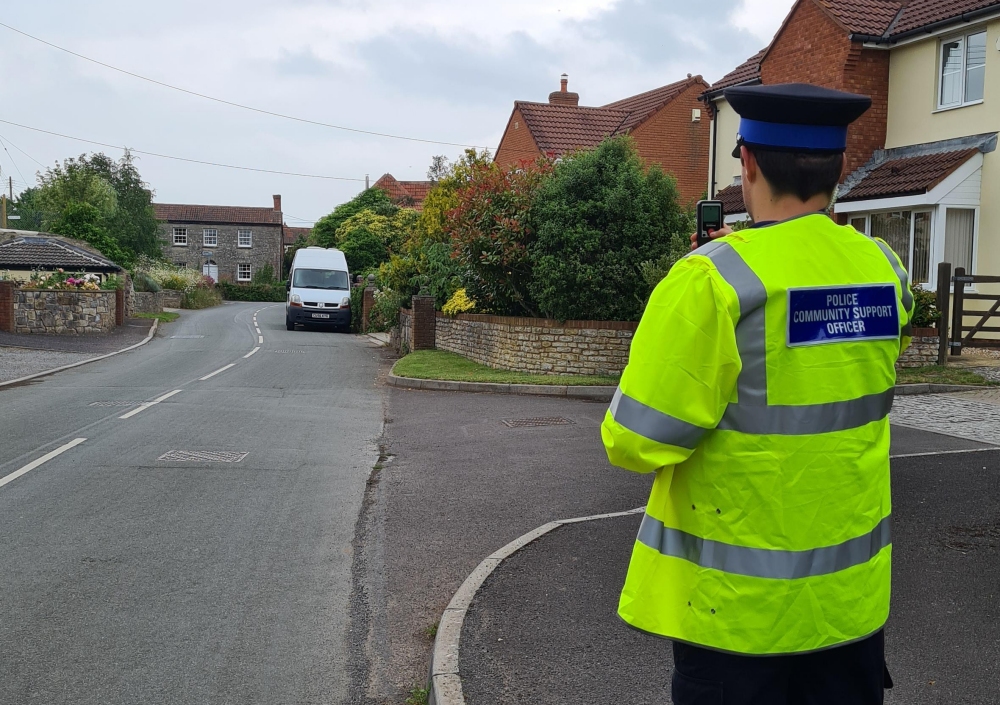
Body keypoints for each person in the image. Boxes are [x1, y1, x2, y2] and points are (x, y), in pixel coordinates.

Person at [601, 83, 914, 705]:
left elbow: (636, 441)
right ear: (839, 167)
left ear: (745, 162)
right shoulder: (884, 269)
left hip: (736, 621)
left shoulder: (713, 280)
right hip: (848, 612)